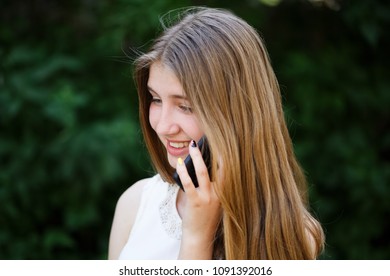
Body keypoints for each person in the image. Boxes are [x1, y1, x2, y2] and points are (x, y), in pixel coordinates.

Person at [108, 6, 325, 260]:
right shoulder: (135, 204)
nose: (163, 126)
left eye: (185, 106)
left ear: (236, 115)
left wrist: (197, 237)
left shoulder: (291, 236)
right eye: (156, 99)